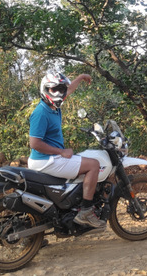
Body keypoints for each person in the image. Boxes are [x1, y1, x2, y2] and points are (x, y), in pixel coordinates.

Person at [27, 72, 106, 229]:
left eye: (61, 89)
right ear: (45, 89)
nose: (59, 93)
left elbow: (69, 90)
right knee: (93, 165)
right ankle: (86, 212)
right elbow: (34, 143)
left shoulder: (53, 106)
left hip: (47, 159)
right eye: (54, 89)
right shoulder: (41, 112)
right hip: (46, 160)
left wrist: (82, 77)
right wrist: (61, 152)